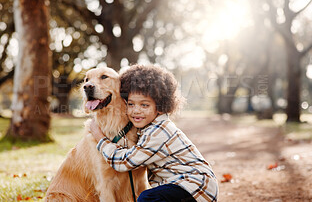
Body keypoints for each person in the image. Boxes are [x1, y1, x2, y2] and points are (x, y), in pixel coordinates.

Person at [90, 65, 218, 202]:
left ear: (161, 107)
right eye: (131, 104)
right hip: (186, 186)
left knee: (147, 197)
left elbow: (124, 162)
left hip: (196, 186)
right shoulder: (147, 127)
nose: (136, 111)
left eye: (144, 105)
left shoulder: (158, 132)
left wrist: (100, 138)